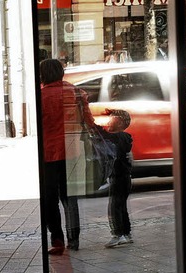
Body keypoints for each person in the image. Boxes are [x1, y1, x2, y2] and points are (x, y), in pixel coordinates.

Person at [39, 58, 97, 255]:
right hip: (72, 151)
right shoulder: (76, 92)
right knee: (69, 196)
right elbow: (89, 121)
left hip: (49, 153)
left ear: (43, 75)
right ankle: (74, 239)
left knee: (50, 198)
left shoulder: (42, 96)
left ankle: (57, 240)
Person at [96, 109, 134, 248]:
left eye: (112, 120)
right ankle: (127, 233)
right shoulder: (122, 136)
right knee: (121, 206)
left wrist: (92, 124)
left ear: (119, 124)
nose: (108, 122)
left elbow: (103, 133)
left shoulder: (119, 137)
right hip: (123, 177)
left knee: (114, 206)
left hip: (119, 177)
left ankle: (117, 234)